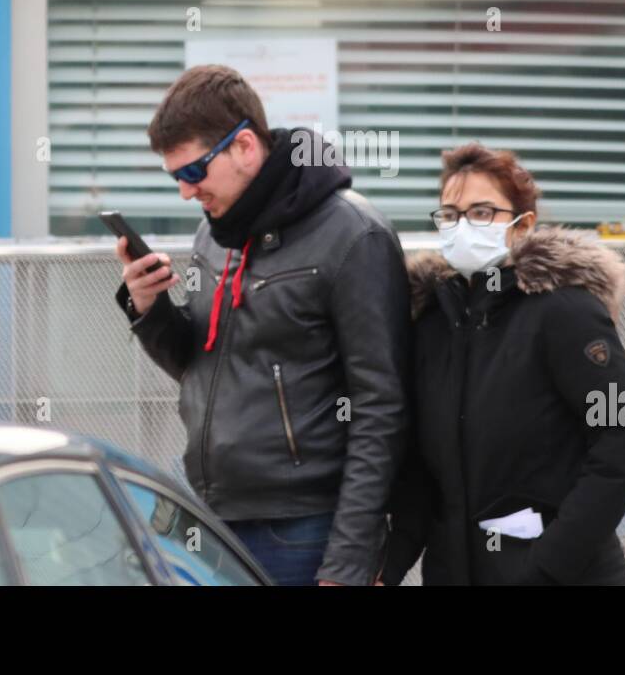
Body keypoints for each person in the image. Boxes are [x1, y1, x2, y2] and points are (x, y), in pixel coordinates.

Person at [114, 65, 408, 586]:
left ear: (245, 146)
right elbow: (198, 363)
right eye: (175, 177)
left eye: (193, 172)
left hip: (302, 529)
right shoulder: (217, 231)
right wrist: (149, 307)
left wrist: (347, 560)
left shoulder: (353, 236)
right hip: (210, 515)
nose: (186, 192)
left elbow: (381, 409)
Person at [381, 143, 625, 585]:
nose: (463, 226)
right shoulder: (432, 323)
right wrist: (385, 569)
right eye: (450, 214)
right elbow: (421, 475)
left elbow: (624, 442)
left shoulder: (564, 311)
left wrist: (548, 565)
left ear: (522, 225)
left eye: (482, 212)